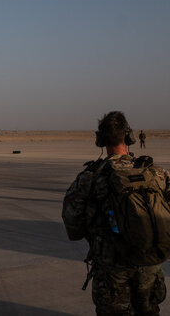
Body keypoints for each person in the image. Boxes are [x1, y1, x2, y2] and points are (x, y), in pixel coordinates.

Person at [62, 111, 170, 315]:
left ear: (100, 140)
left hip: (112, 269)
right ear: (128, 137)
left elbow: (72, 224)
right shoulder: (156, 173)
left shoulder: (91, 177)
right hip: (150, 265)